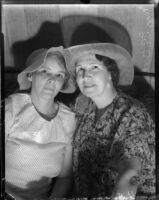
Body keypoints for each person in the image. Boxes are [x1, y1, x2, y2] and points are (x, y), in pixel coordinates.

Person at [66, 43, 155, 199]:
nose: (85, 75)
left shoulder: (132, 113)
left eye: (94, 67)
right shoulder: (82, 108)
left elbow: (130, 174)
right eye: (80, 69)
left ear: (110, 74)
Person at [5, 46, 76, 200]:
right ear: (31, 75)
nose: (52, 80)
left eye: (59, 75)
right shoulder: (12, 108)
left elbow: (65, 177)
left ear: (63, 82)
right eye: (45, 71)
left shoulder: (68, 118)